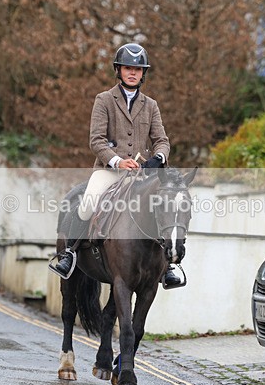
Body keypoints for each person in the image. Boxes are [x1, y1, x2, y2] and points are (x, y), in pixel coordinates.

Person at [52, 42, 182, 287]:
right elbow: (96, 140)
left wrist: (158, 159)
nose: (133, 72)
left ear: (143, 73)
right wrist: (117, 161)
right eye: (127, 68)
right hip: (109, 171)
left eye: (138, 69)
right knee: (88, 202)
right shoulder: (103, 100)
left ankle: (169, 266)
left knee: (164, 206)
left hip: (142, 175)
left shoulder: (151, 105)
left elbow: (162, 140)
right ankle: (70, 253)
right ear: (118, 70)